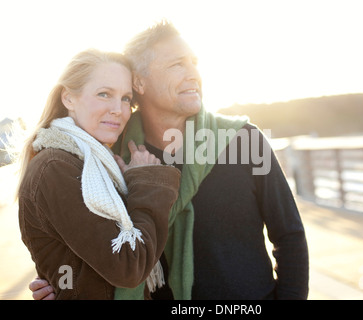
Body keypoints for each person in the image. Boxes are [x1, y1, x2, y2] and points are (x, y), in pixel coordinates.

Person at [31, 21, 309, 300]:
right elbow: (85, 249)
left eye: (194, 62)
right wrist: (60, 285)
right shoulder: (110, 158)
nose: (194, 74)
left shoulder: (243, 140)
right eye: (178, 64)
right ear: (139, 82)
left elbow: (289, 235)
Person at [16, 48, 181, 299]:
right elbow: (128, 266)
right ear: (69, 98)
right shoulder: (55, 168)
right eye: (104, 94)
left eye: (126, 98)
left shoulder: (96, 164)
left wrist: (64, 283)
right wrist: (146, 180)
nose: (118, 109)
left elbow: (78, 265)